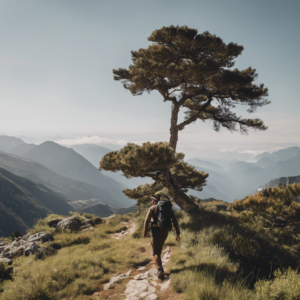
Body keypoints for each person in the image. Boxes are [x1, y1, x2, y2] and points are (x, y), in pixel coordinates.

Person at [143, 194, 180, 280]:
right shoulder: (168, 208)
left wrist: (145, 232)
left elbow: (146, 221)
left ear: (154, 201)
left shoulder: (152, 208)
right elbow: (175, 221)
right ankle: (159, 265)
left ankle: (160, 270)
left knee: (156, 252)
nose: (151, 201)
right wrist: (178, 233)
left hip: (155, 232)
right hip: (165, 232)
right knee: (159, 248)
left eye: (152, 200)